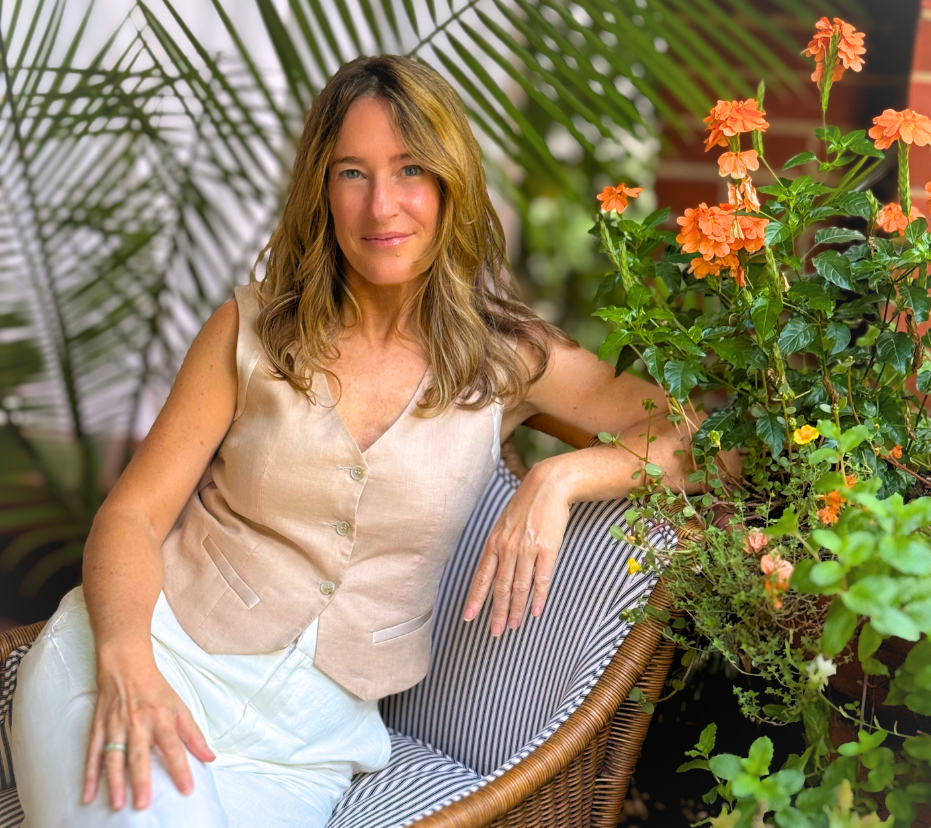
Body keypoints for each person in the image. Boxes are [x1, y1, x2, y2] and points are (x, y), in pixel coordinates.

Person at [10, 54, 711, 827]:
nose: (381, 205)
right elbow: (132, 516)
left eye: (409, 169)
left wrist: (561, 479)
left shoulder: (504, 356)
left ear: (449, 184)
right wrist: (126, 665)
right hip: (148, 661)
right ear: (322, 189)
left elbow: (706, 441)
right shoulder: (252, 329)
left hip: (302, 755)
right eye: (352, 173)